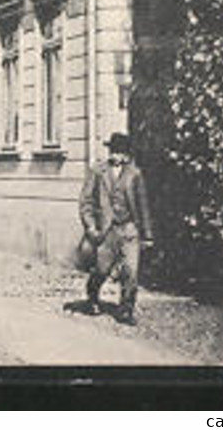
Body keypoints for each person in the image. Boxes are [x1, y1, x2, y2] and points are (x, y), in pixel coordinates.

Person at [78, 132, 155, 325]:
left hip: (129, 228)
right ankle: (93, 297)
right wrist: (91, 227)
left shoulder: (135, 174)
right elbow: (85, 202)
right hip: (106, 230)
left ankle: (126, 310)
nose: (116, 156)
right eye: (113, 151)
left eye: (120, 152)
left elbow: (143, 205)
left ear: (126, 154)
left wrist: (147, 234)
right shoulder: (97, 171)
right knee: (102, 270)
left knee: (131, 271)